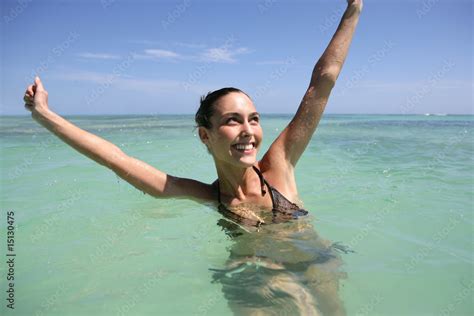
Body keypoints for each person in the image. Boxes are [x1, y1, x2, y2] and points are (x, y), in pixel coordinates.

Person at [24, 1, 362, 314]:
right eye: (233, 120)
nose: (248, 131)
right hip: (254, 275)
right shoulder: (206, 195)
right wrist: (45, 116)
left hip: (315, 264)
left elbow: (323, 81)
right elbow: (116, 159)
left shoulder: (279, 165)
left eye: (254, 119)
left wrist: (354, 7)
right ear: (205, 135)